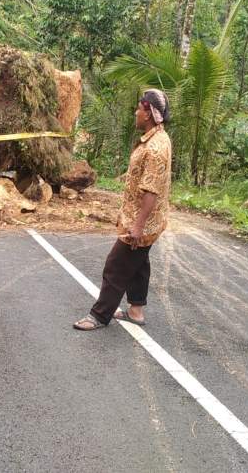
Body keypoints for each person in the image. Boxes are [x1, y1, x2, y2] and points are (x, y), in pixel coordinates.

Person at [74, 88, 172, 330]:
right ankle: (136, 311)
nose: (135, 113)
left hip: (142, 222)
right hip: (145, 219)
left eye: (138, 109)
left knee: (116, 265)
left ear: (148, 112)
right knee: (139, 263)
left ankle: (98, 315)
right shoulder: (158, 138)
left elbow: (151, 191)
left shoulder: (156, 147)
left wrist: (137, 226)